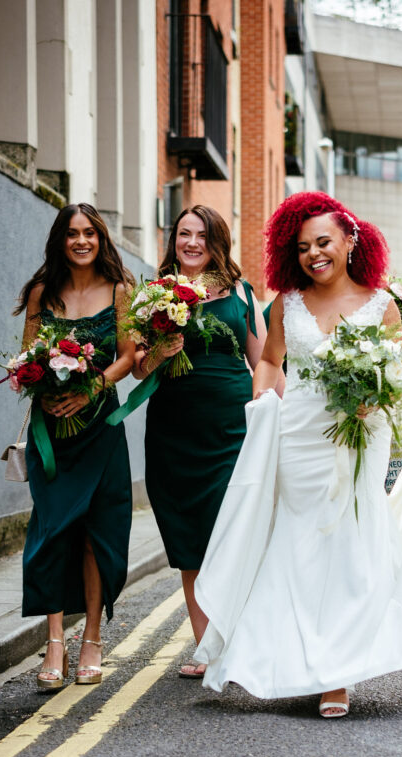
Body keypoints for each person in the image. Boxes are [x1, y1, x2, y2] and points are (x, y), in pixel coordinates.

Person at [191, 191, 402, 718]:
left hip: (360, 434)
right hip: (299, 435)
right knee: (298, 544)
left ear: (350, 240)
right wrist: (260, 397)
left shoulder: (383, 305)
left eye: (323, 242)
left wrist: (374, 397)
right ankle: (285, 657)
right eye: (302, 246)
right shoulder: (285, 304)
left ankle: (337, 674)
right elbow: (271, 362)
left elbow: (396, 378)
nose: (313, 254)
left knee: (351, 543)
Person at [14, 203, 145, 690]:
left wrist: (89, 389)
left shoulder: (120, 291)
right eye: (72, 234)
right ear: (60, 240)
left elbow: (131, 357)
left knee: (95, 534)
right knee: (52, 532)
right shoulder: (42, 293)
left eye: (90, 233)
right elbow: (27, 358)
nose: (82, 241)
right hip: (52, 432)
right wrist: (40, 382)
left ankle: (90, 639)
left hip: (99, 428)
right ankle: (53, 644)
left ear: (101, 239)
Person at [139, 205, 268, 679]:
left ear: (217, 242)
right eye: (183, 234)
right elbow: (137, 367)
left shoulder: (240, 293)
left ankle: (243, 635)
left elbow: (264, 363)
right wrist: (159, 348)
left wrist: (276, 420)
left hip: (232, 430)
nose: (191, 243)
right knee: (190, 539)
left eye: (201, 235)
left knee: (231, 533)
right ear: (173, 240)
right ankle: (206, 647)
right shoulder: (154, 295)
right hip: (174, 432)